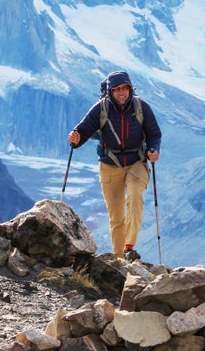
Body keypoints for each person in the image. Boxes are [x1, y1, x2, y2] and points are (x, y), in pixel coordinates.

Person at [68, 70, 161, 261]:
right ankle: (121, 262)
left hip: (137, 162)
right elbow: (83, 130)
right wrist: (75, 139)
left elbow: (154, 134)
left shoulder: (141, 107)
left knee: (135, 196)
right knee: (116, 217)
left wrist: (153, 149)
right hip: (109, 165)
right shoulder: (100, 109)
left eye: (124, 88)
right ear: (110, 91)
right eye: (117, 89)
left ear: (130, 89)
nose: (121, 93)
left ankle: (129, 247)